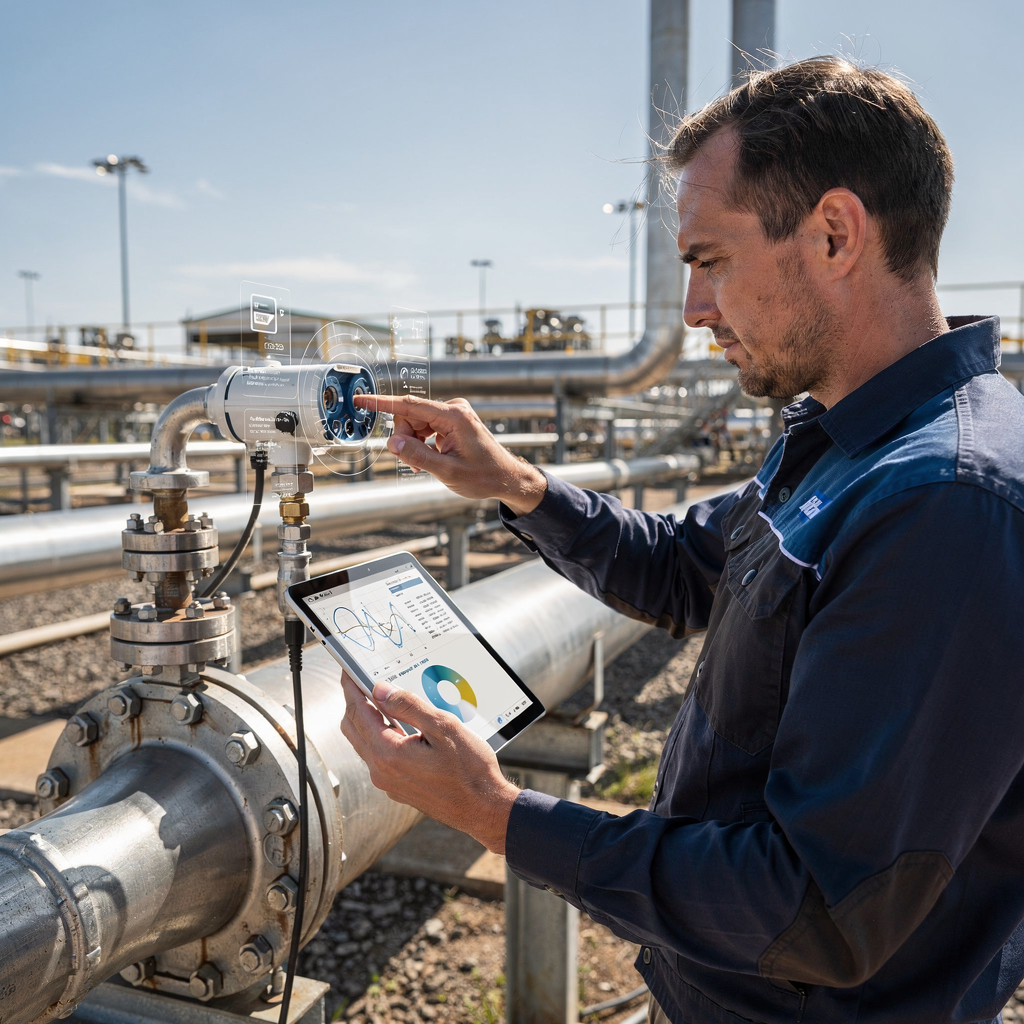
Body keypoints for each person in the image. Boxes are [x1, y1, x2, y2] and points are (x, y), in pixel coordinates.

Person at [342, 56, 1024, 1024]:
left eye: (708, 260)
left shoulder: (943, 500)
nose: (696, 309)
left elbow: (816, 909)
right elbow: (683, 568)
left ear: (834, 232)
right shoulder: (842, 442)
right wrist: (513, 483)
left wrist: (494, 813)